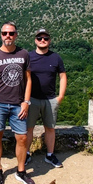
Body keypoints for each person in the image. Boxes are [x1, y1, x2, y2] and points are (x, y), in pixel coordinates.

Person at [0, 22, 35, 184]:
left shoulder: (24, 54)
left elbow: (28, 80)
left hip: (18, 104)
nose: (8, 36)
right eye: (5, 33)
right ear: (1, 35)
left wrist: (26, 102)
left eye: (11, 33)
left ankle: (21, 171)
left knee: (22, 137)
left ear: (16, 35)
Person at [26, 28, 67, 168]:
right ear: (35, 40)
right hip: (32, 99)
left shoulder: (56, 57)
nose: (42, 40)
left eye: (45, 38)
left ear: (49, 40)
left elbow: (62, 76)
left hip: (50, 99)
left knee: (50, 128)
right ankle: (26, 153)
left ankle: (50, 155)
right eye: (39, 38)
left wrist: (60, 96)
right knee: (28, 128)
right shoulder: (29, 57)